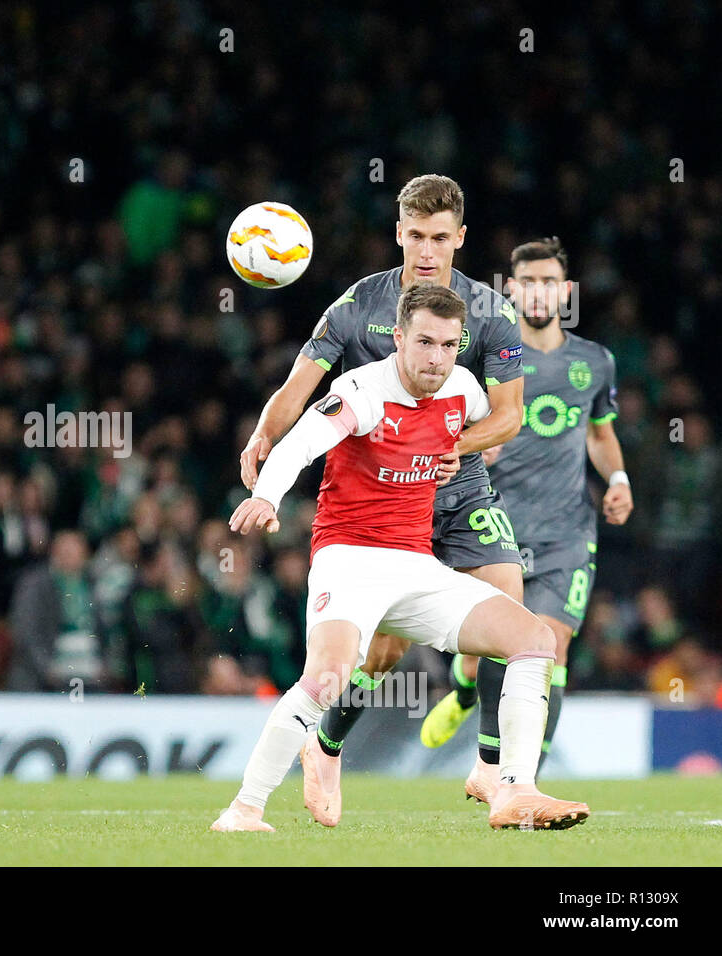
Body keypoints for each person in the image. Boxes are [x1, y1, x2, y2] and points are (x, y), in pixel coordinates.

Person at [212, 283, 588, 831]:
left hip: (415, 566)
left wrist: (475, 447)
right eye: (425, 343)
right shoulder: (361, 391)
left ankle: (514, 790)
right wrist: (267, 495)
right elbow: (299, 443)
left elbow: (497, 426)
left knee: (535, 640)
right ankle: (244, 809)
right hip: (350, 560)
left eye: (448, 345)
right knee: (325, 678)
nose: (436, 358)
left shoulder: (462, 388)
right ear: (399, 338)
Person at [237, 174, 526, 825]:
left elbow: (511, 416)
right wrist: (264, 431)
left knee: (509, 596)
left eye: (440, 238)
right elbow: (299, 386)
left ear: (460, 238)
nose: (427, 250)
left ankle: (489, 768)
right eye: (416, 236)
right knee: (382, 655)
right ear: (399, 233)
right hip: (385, 501)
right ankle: (328, 746)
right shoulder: (355, 305)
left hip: (460, 481)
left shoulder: (490, 314)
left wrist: (461, 441)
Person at [420, 238, 633, 797]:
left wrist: (617, 480)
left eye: (549, 282)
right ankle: (466, 690)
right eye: (527, 282)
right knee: (486, 652)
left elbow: (601, 435)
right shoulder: (489, 356)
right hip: (497, 529)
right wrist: (472, 443)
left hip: (567, 533)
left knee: (549, 648)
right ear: (510, 290)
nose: (538, 292)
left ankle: (519, 782)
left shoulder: (594, 361)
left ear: (565, 291)